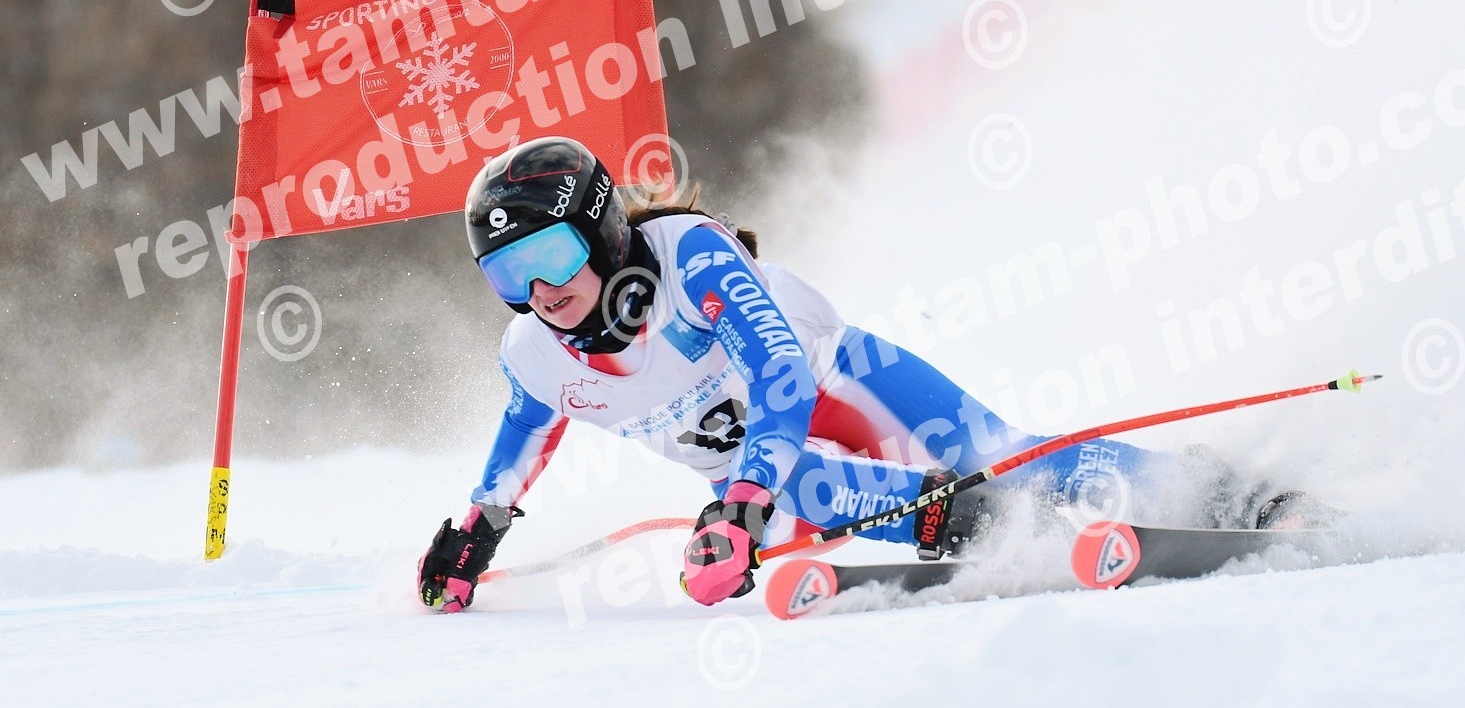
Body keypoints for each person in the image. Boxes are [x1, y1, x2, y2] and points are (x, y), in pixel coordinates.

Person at [417, 136, 1315, 613]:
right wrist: (475, 533)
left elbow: (781, 375)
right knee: (799, 499)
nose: (539, 291)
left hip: (848, 384)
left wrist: (741, 505)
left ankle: (1230, 493)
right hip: (779, 477)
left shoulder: (689, 254)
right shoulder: (534, 351)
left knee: (1003, 455)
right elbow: (523, 433)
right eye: (507, 274)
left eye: (549, 255)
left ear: (605, 232)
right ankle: (986, 523)